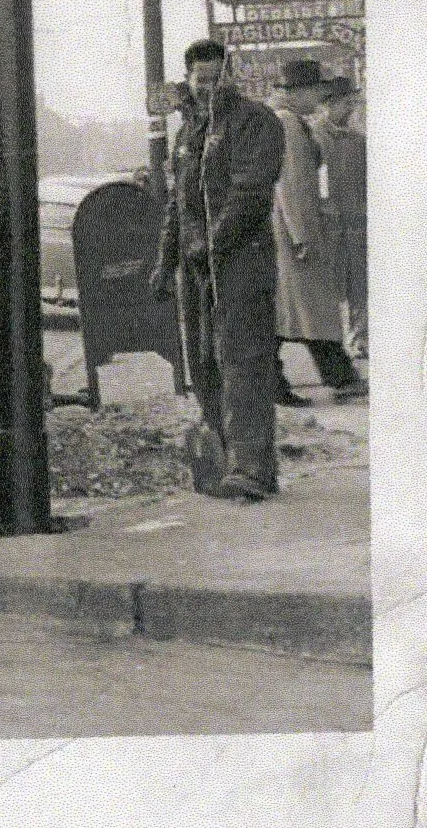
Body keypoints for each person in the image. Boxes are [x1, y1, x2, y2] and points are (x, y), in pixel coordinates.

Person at [153, 38, 287, 501]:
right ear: (189, 79)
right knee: (204, 363)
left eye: (217, 78)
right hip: (197, 267)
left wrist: (210, 246)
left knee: (243, 360)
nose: (208, 87)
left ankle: (252, 468)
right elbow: (177, 202)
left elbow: (251, 195)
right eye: (200, 79)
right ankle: (225, 458)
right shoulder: (187, 132)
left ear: (230, 78)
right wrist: (165, 262)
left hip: (241, 260)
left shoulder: (256, 121)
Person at [269, 57, 362, 403]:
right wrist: (302, 236)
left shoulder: (286, 120)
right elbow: (291, 185)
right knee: (307, 307)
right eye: (316, 90)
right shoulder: (288, 124)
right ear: (299, 92)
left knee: (295, 310)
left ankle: (331, 375)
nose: (320, 97)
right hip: (295, 230)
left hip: (290, 228)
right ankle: (337, 376)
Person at [317, 76, 367, 361]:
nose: (350, 109)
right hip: (327, 226)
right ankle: (331, 346)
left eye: (352, 103)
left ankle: (359, 339)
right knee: (329, 288)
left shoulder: (359, 142)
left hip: (356, 224)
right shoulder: (314, 139)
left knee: (360, 284)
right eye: (345, 103)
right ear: (329, 104)